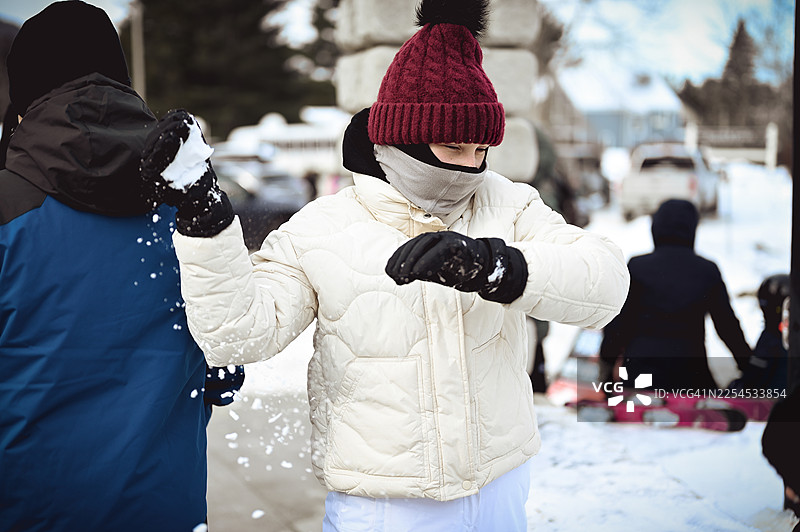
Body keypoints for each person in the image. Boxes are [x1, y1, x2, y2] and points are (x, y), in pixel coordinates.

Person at [140, 0, 629, 530]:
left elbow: (605, 284)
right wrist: (206, 219)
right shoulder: (321, 228)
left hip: (500, 488)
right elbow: (238, 334)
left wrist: (495, 267)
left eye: (481, 149)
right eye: (453, 146)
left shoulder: (508, 205)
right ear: (402, 135)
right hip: (383, 505)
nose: (470, 167)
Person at [0, 3, 242, 531]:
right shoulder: (188, 202)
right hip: (165, 507)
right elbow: (226, 364)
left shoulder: (8, 211)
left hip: (31, 507)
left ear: (24, 95)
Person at [599, 198, 752, 392]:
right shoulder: (706, 271)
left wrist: (606, 364)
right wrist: (749, 366)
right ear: (692, 230)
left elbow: (618, 325)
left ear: (655, 228)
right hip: (690, 375)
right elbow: (727, 326)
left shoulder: (637, 267)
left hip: (640, 373)